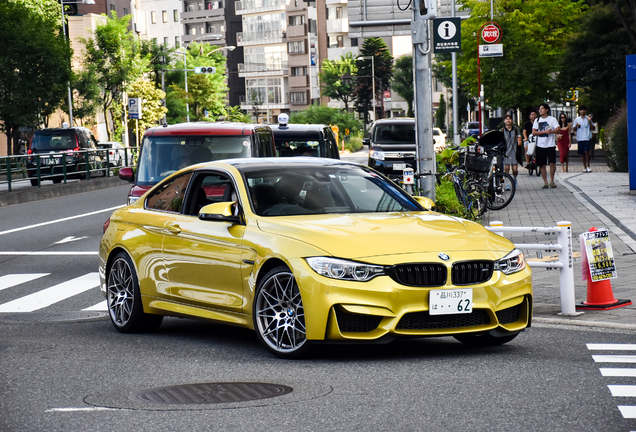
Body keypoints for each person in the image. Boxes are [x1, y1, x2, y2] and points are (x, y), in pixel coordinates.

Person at [532, 103, 561, 189]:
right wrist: (544, 132)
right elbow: (534, 132)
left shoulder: (552, 119)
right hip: (540, 145)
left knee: (552, 163)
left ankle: (552, 180)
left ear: (547, 110)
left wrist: (552, 132)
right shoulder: (537, 120)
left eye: (542, 109)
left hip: (550, 144)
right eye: (539, 109)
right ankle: (545, 181)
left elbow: (558, 129)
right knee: (542, 164)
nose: (540, 111)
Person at [501, 114, 522, 186]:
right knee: (506, 168)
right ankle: (507, 183)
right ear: (504, 121)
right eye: (506, 119)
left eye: (509, 119)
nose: (508, 120)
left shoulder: (516, 129)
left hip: (514, 151)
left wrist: (519, 140)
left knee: (515, 169)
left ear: (512, 120)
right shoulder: (502, 130)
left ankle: (515, 179)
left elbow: (519, 139)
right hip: (506, 152)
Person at [573, 105, 595, 172]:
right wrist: (576, 126)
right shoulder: (577, 119)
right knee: (582, 153)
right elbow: (573, 129)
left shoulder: (588, 119)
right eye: (581, 110)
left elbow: (593, 128)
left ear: (586, 111)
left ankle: (588, 166)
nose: (582, 111)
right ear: (579, 111)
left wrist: (589, 121)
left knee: (586, 151)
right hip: (580, 138)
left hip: (587, 137)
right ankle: (584, 167)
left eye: (584, 110)